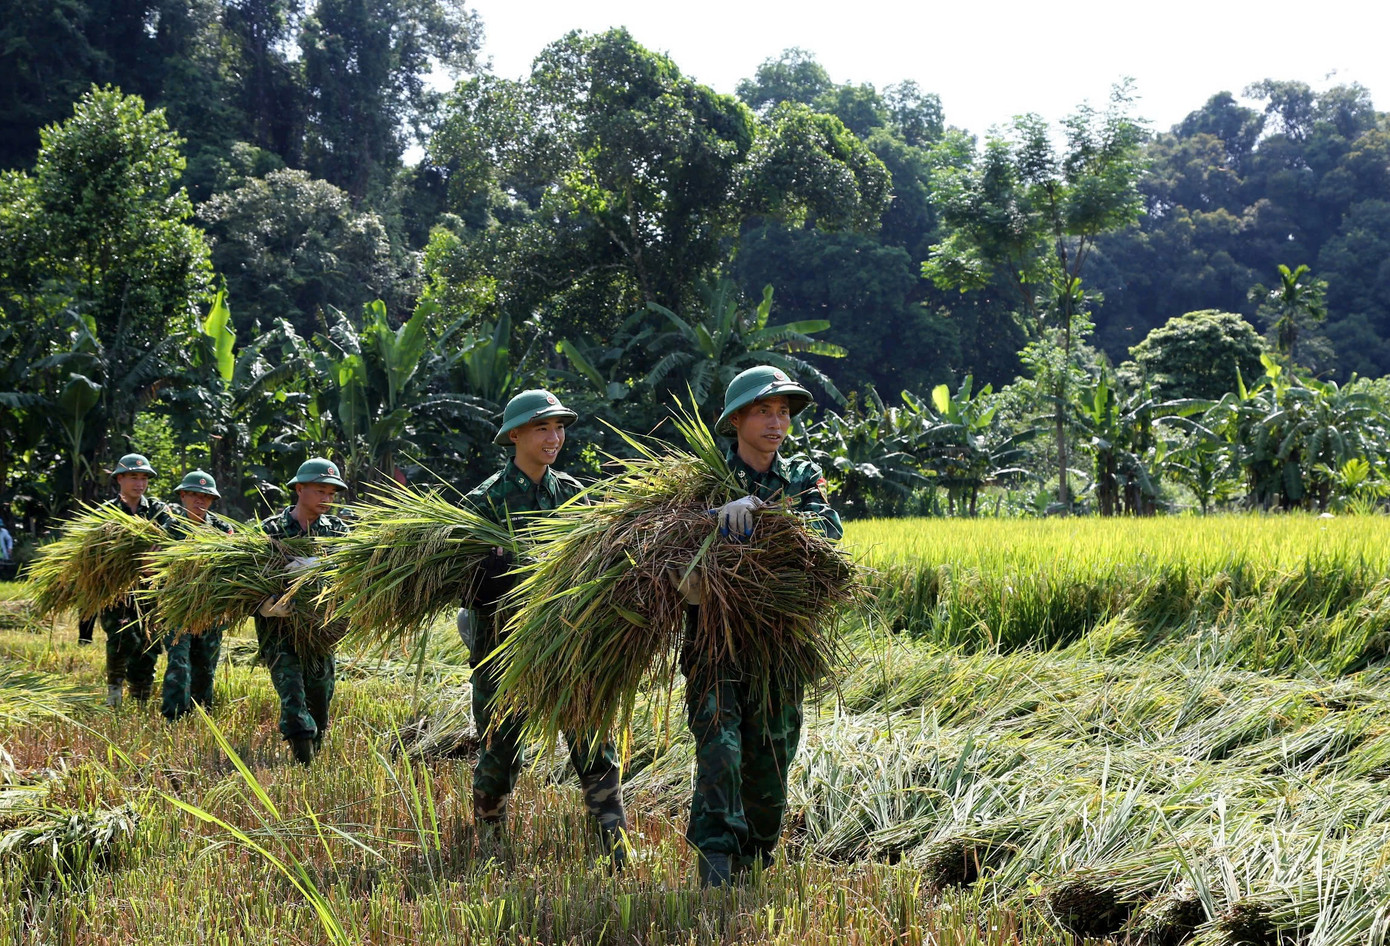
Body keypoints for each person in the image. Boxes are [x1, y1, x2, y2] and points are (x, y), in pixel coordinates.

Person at [680, 366, 843, 887]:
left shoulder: (800, 476)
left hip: (780, 642)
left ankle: (756, 857)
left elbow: (829, 531)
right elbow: (667, 535)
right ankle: (715, 861)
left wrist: (767, 517)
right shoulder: (706, 477)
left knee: (772, 761)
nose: (777, 423)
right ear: (736, 419)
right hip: (715, 641)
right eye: (764, 411)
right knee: (721, 751)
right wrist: (716, 514)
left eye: (784, 413)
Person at [460, 389, 630, 865]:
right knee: (500, 753)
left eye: (559, 428)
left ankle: (615, 845)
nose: (554, 437)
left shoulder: (575, 495)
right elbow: (457, 582)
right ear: (514, 435)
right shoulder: (485, 501)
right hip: (503, 650)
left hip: (570, 644)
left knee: (594, 745)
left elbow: (597, 562)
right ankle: (490, 840)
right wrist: (494, 573)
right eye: (542, 428)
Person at [254, 458, 350, 765]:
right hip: (278, 629)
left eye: (332, 494)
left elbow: (352, 574)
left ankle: (315, 750)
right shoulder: (271, 529)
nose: (326, 499)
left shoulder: (339, 531)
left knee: (320, 697)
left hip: (322, 628)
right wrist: (265, 605)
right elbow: (246, 577)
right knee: (293, 697)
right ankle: (304, 763)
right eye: (320, 490)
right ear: (299, 488)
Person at [100, 454, 178, 708]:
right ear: (119, 478)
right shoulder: (106, 513)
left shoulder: (158, 510)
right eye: (134, 477)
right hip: (116, 591)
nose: (140, 483)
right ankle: (114, 693)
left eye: (144, 478)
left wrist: (156, 559)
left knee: (149, 642)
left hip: (150, 590)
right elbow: (98, 552)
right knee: (121, 638)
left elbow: (174, 537)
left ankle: (141, 697)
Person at [160, 470, 236, 722]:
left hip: (209, 610)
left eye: (205, 496)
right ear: (183, 496)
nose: (199, 501)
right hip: (176, 609)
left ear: (213, 500)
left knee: (205, 668)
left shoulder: (222, 530)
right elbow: (150, 566)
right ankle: (174, 718)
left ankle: (201, 717)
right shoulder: (168, 528)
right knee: (179, 665)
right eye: (193, 495)